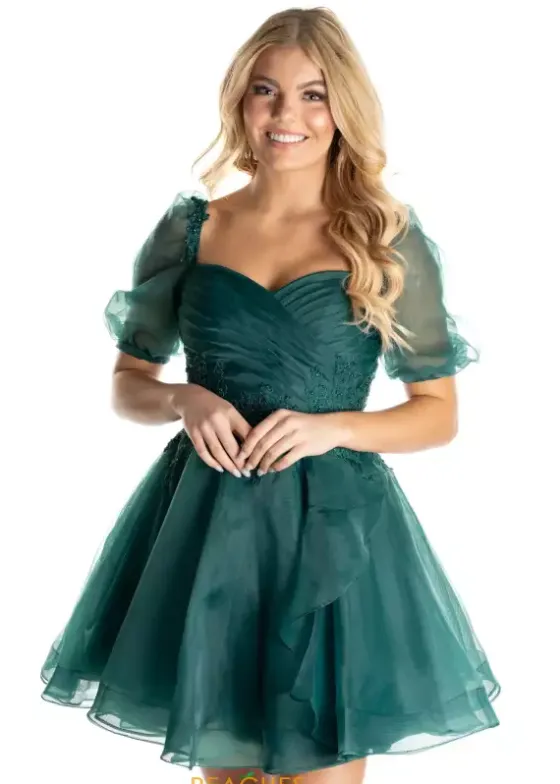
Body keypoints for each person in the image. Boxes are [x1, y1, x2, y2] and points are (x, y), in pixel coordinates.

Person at [39, 7, 501, 784]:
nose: (287, 114)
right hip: (206, 530)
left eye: (314, 94)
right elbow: (128, 386)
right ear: (239, 100)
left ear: (343, 108)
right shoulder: (191, 230)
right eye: (266, 90)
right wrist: (183, 400)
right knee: (223, 776)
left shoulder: (383, 239)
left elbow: (439, 415)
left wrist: (334, 429)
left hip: (332, 538)